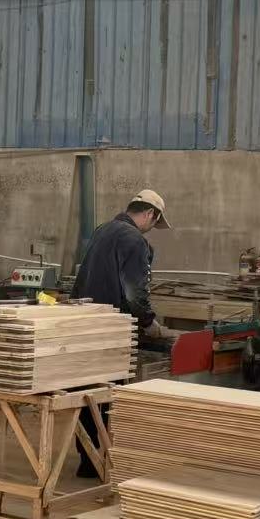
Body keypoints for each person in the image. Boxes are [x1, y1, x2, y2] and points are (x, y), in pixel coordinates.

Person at [71, 189, 176, 476]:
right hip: (110, 330)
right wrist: (148, 322)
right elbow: (134, 292)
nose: (151, 229)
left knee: (87, 394)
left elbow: (82, 280)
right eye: (155, 223)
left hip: (84, 324)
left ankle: (88, 461)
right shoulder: (134, 240)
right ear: (150, 214)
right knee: (108, 395)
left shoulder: (102, 230)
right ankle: (106, 461)